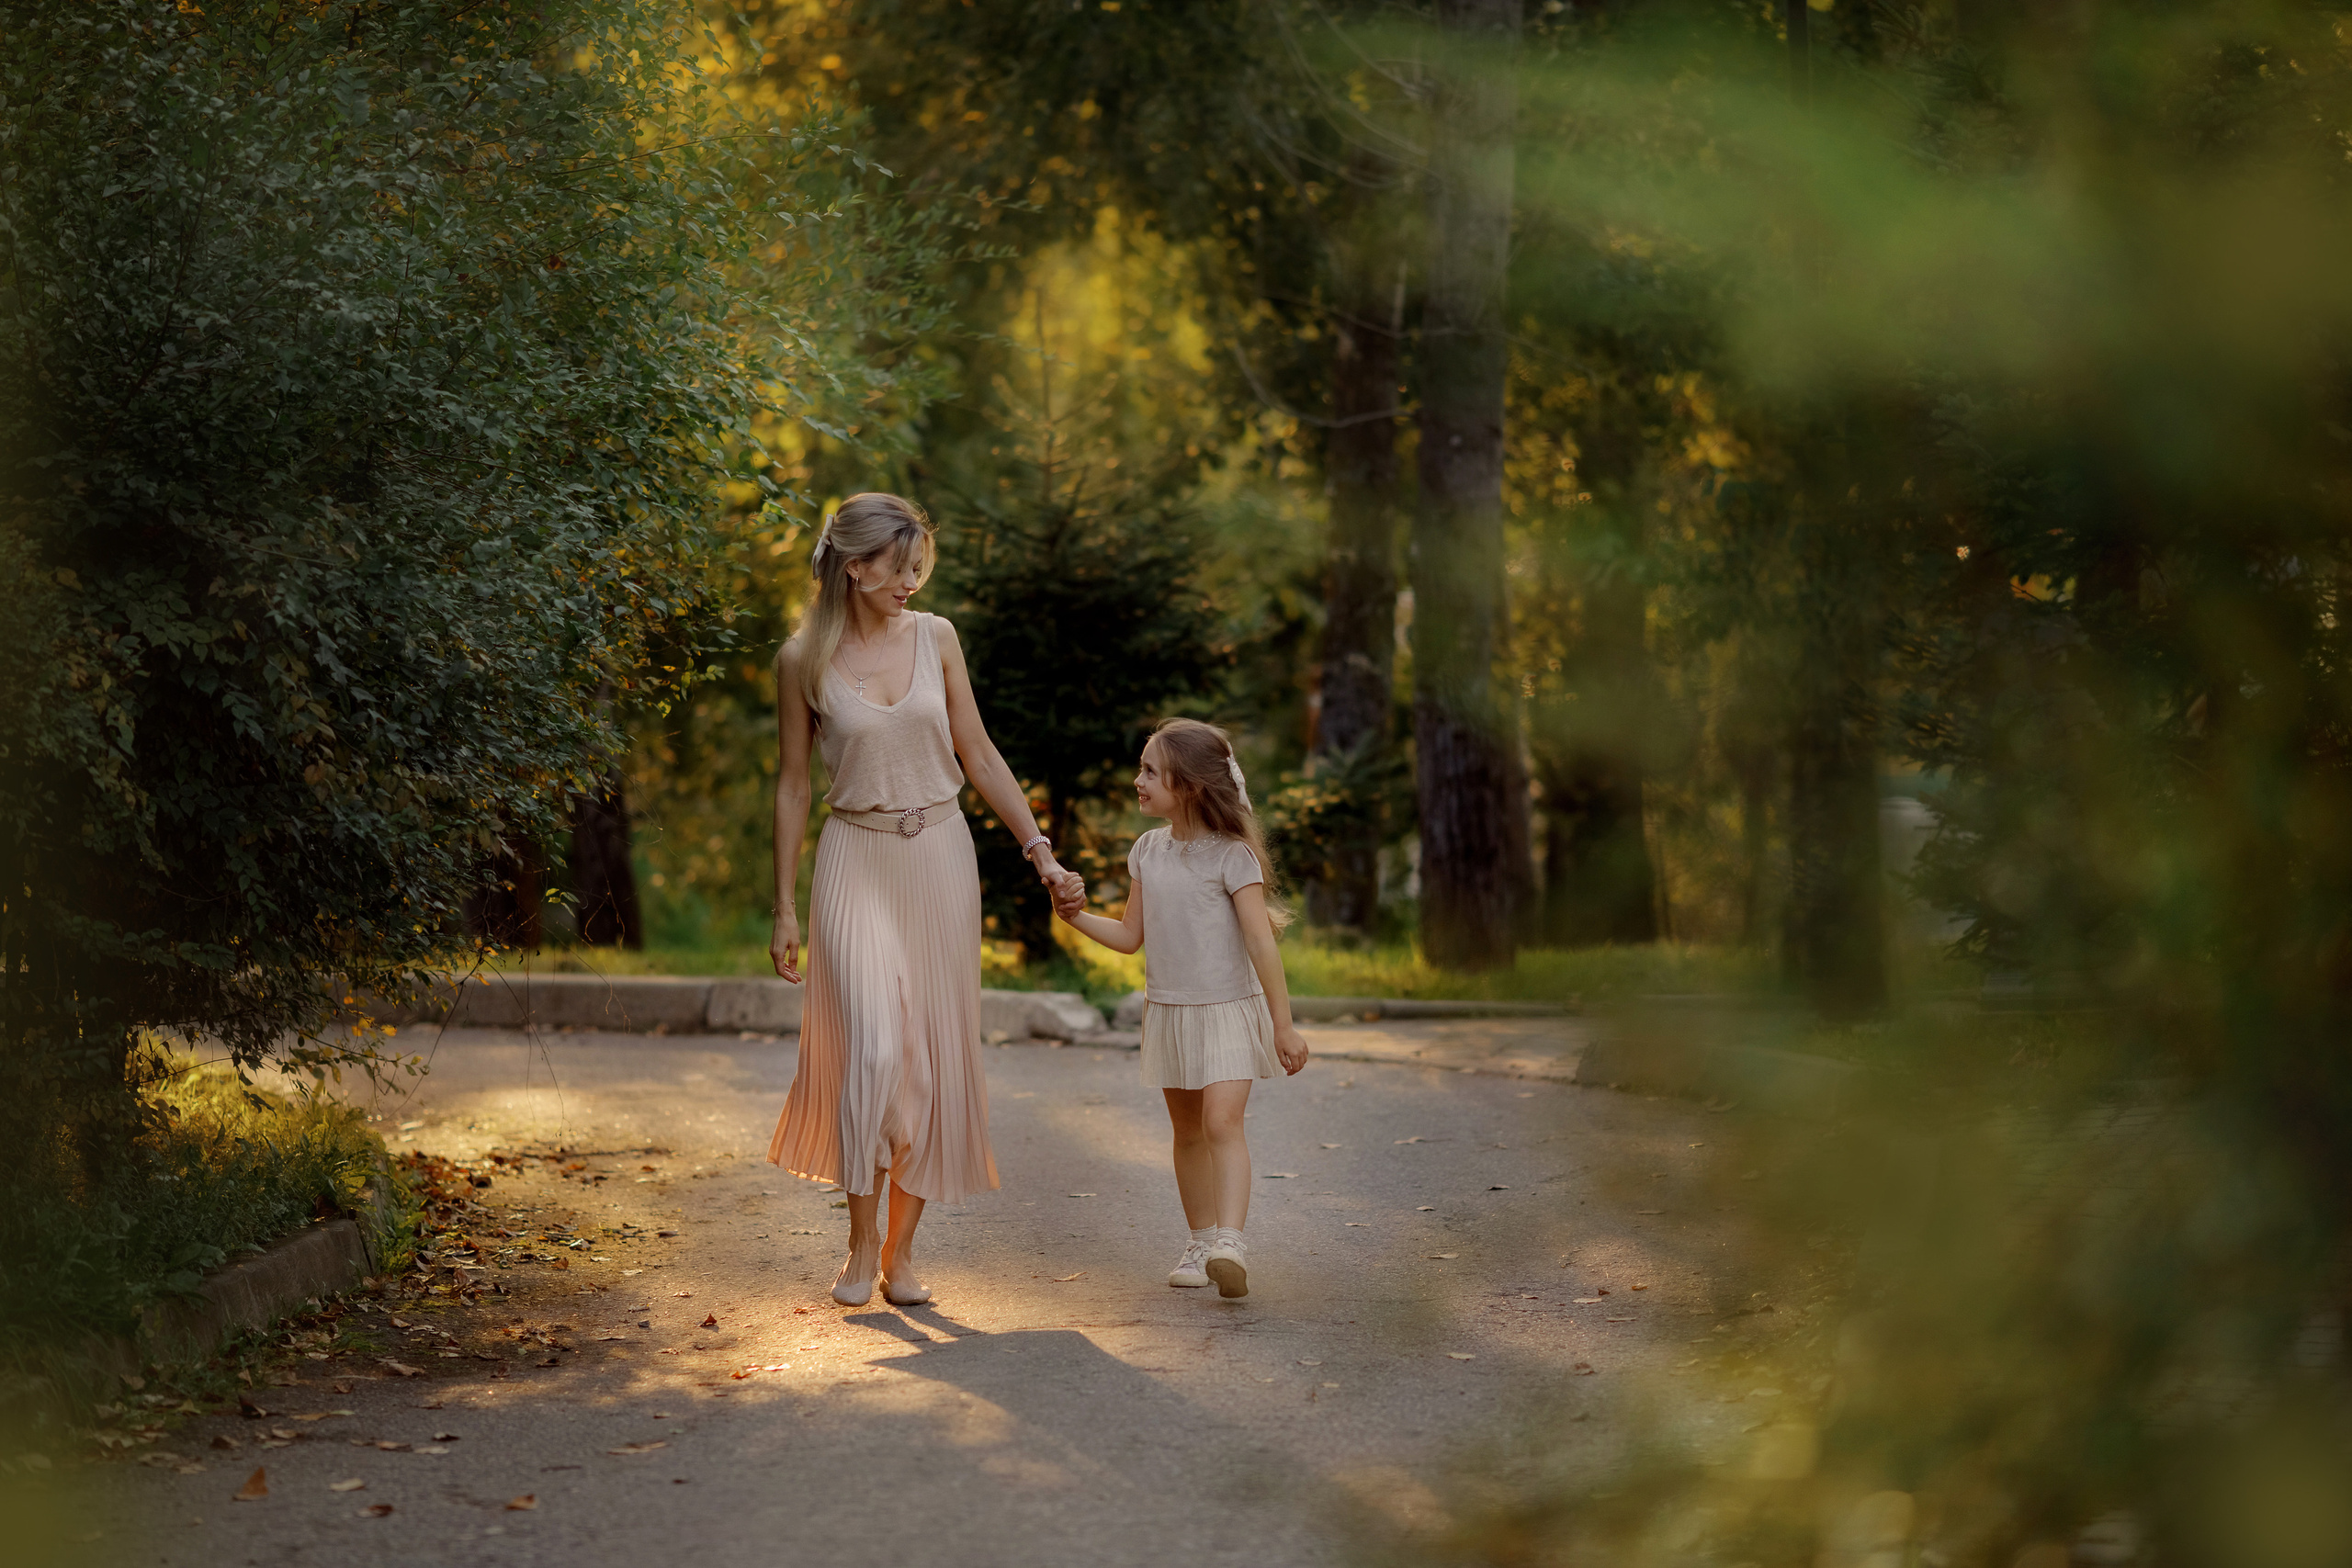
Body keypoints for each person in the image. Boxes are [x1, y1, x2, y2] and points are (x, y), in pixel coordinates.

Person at [766, 492, 1077, 1307]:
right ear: (855, 566)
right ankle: (859, 1240)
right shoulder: (802, 657)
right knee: (871, 1050)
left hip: (939, 853)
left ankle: (901, 1253)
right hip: (853, 857)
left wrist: (1038, 850)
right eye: (898, 568)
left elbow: (976, 750)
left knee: (928, 1067)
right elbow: (794, 783)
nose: (911, 582)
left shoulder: (936, 637)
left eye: (917, 568)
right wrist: (784, 904)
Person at [1051, 718, 1309, 1299]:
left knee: (1222, 1122)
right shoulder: (1147, 851)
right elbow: (1128, 937)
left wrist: (1284, 1026)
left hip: (1227, 1011)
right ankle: (1200, 1240)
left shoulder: (1232, 857)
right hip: (1170, 1011)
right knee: (1187, 1131)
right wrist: (1073, 917)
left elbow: (1260, 943)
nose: (1137, 780)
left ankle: (1231, 1243)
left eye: (1150, 771)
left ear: (1188, 785)